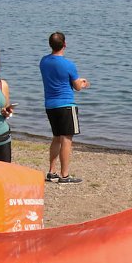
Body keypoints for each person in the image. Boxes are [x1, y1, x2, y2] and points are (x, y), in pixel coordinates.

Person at [39, 32, 89, 184]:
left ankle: (52, 171)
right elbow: (77, 86)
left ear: (50, 45)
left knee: (56, 138)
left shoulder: (44, 61)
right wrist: (84, 83)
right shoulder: (68, 65)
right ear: (65, 44)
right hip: (66, 105)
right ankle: (64, 175)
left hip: (50, 105)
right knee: (67, 140)